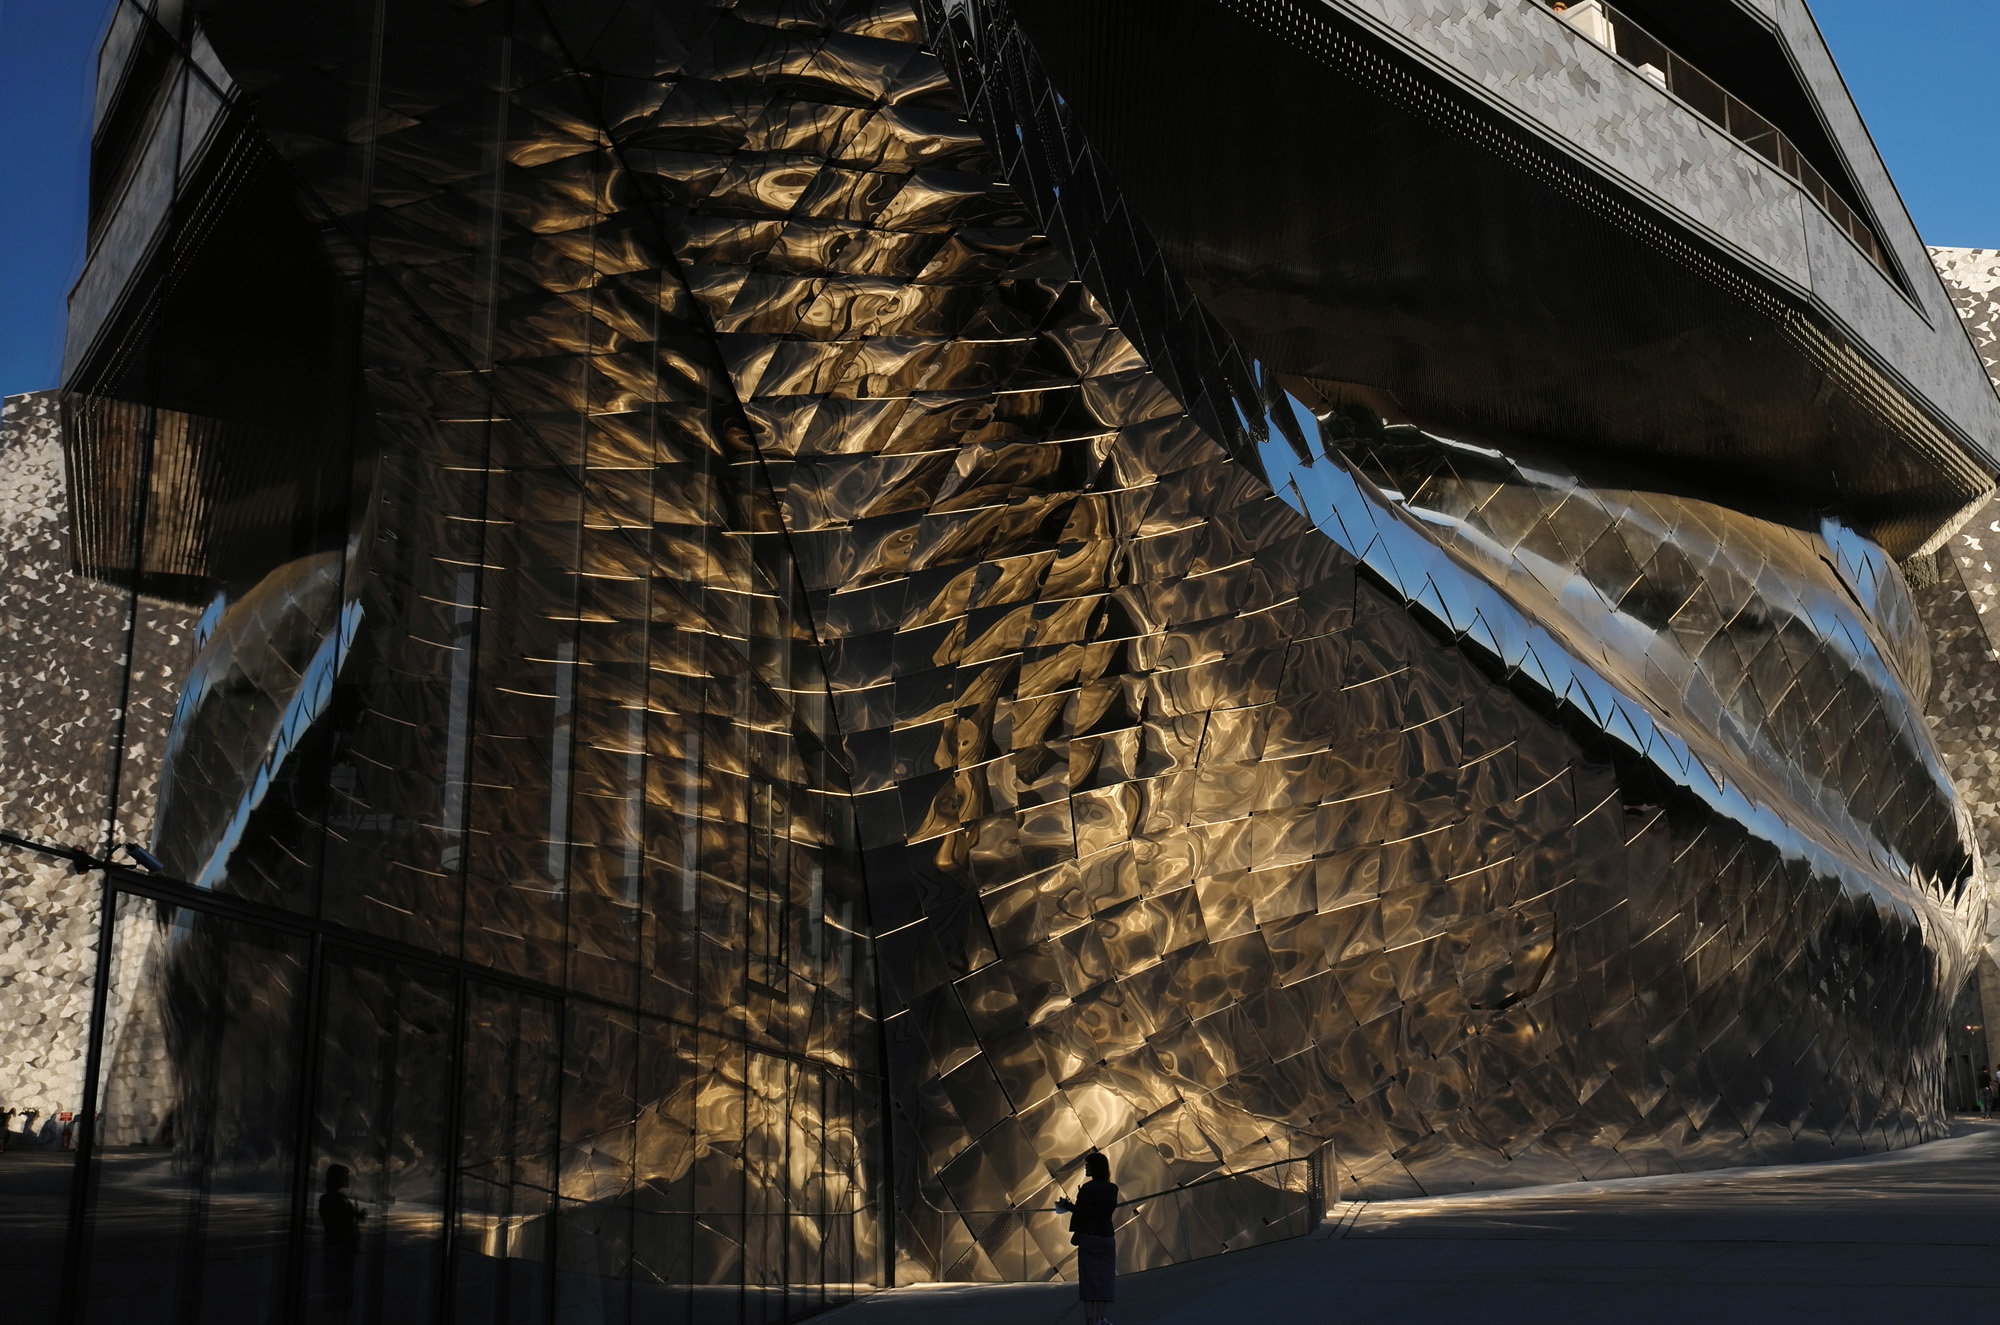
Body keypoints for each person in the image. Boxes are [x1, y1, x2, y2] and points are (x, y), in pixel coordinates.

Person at [1054, 1150, 1118, 1325]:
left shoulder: (1087, 1189)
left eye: (1087, 1166)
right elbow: (1106, 1211)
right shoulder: (1113, 1188)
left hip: (1089, 1237)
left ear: (1094, 1168)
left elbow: (1083, 1213)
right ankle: (1101, 1318)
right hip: (1106, 1237)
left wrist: (1067, 1206)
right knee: (1105, 1277)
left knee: (1089, 1277)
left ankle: (1090, 1319)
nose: (1085, 1169)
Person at [318, 1163, 366, 1313]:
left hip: (335, 1246)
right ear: (337, 1178)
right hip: (341, 1247)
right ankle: (338, 1312)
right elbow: (340, 1223)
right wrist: (355, 1217)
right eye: (345, 1176)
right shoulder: (336, 1199)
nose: (348, 1179)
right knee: (341, 1283)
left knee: (335, 1282)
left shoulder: (328, 1198)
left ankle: (335, 1311)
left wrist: (354, 1216)